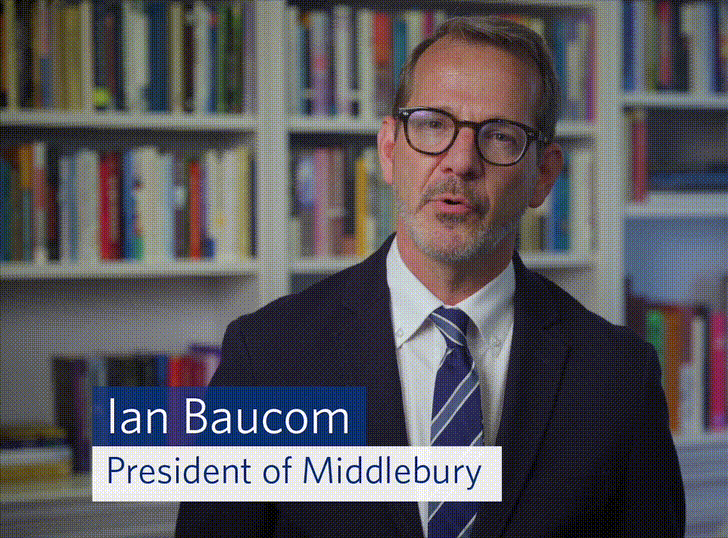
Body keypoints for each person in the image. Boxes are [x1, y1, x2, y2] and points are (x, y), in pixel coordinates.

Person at [176, 16, 684, 537]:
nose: (459, 162)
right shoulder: (268, 356)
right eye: (433, 125)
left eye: (500, 136)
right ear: (390, 149)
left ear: (543, 174)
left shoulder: (619, 376)